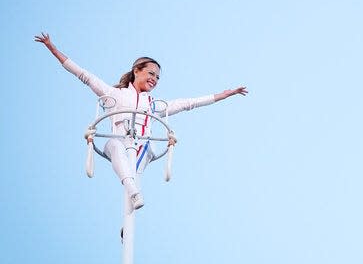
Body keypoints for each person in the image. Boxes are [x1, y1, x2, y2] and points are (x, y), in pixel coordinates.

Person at [35, 33, 248, 211]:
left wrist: (223, 95)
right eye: (151, 73)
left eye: (158, 77)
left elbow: (188, 103)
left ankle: (130, 206)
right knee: (115, 145)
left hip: (141, 148)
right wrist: (53, 49)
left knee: (146, 148)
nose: (154, 79)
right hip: (119, 142)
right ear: (136, 71)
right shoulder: (114, 94)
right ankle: (133, 193)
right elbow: (84, 75)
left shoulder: (154, 105)